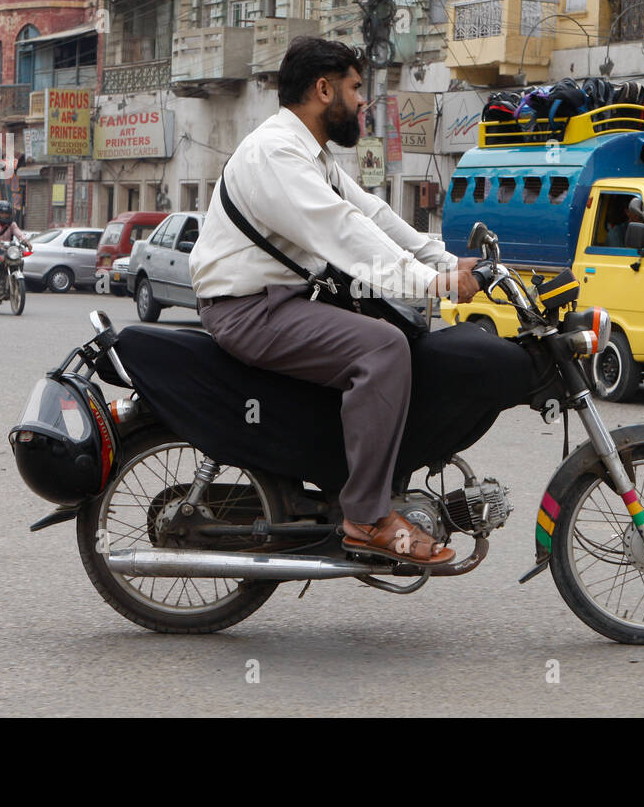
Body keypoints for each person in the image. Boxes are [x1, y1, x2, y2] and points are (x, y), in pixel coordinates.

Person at [189, 37, 481, 567]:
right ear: (324, 89)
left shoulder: (308, 152)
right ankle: (367, 517)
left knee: (391, 335)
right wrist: (428, 284)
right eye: (354, 87)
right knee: (383, 349)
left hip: (280, 301)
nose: (362, 100)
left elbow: (368, 212)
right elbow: (342, 232)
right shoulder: (278, 153)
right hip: (250, 310)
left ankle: (357, 480)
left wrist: (442, 261)